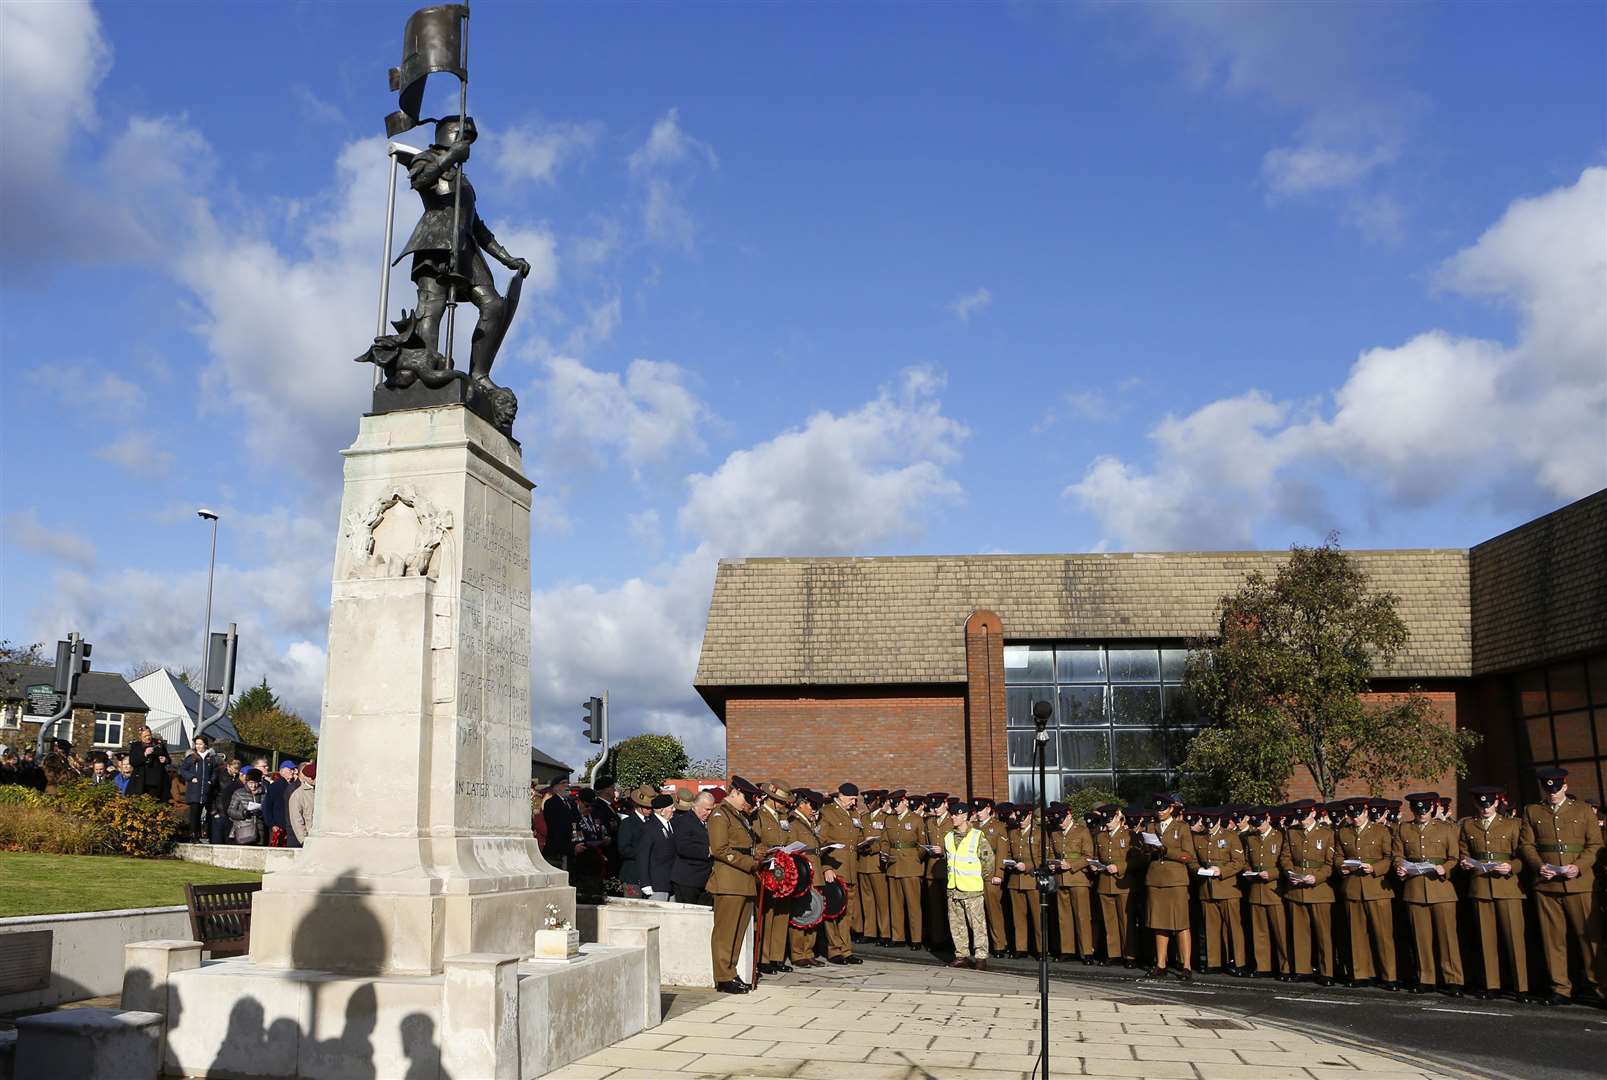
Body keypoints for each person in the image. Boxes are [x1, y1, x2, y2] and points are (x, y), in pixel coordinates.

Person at [1518, 766, 1604, 1006]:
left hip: (1579, 883)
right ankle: (1560, 988)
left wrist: (1579, 866)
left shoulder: (1583, 810)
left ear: (1565, 787)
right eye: (1548, 789)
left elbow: (1595, 844)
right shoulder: (1532, 810)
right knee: (1552, 939)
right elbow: (1527, 845)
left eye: (1556, 788)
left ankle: (1600, 988)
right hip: (1547, 884)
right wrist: (1538, 866)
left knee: (1589, 938)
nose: (1552, 792)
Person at [1460, 785, 1528, 1001]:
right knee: (1486, 939)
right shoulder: (1469, 826)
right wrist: (1465, 863)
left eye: (1489, 803)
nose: (1485, 808)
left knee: (1514, 939)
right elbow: (1464, 852)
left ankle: (1521, 986)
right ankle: (1492, 984)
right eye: (1481, 804)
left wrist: (1512, 866)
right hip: (1481, 885)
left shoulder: (1513, 825)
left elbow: (1523, 855)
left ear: (1497, 803)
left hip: (1508, 887)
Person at [1395, 791, 1463, 995]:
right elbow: (1398, 855)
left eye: (1425, 809)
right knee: (1421, 938)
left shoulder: (1446, 829)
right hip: (1415, 888)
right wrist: (1400, 867)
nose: (1421, 813)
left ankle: (1453, 980)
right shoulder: (1404, 829)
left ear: (1432, 808)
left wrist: (1446, 868)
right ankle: (1426, 978)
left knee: (1447, 938)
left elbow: (1454, 857)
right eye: (1417, 810)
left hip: (1441, 889)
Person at [1336, 796, 1398, 990]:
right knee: (1356, 935)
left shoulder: (1381, 831)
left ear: (1365, 812)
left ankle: (1389, 976)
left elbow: (1390, 857)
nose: (1355, 818)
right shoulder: (1343, 832)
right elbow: (1338, 856)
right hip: (1353, 887)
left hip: (1377, 887)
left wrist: (1374, 868)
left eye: (1358, 814)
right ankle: (1360, 974)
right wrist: (1342, 867)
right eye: (1352, 815)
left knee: (1383, 935)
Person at [707, 776, 763, 993]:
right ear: (736, 793)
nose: (747, 803)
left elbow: (748, 845)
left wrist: (760, 855)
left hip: (744, 882)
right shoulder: (720, 815)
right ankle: (723, 976)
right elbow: (720, 849)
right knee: (726, 933)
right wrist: (750, 863)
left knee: (738, 932)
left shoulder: (739, 817)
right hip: (729, 881)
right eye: (746, 798)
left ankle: (731, 972)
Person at [1280, 798, 1336, 985]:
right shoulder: (1292, 833)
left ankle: (1326, 971)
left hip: (1318, 888)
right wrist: (1290, 873)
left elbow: (1330, 864)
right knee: (1299, 932)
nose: (1302, 819)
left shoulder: (1327, 834)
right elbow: (1285, 858)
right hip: (1296, 887)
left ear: (1313, 813)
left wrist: (1316, 878)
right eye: (1299, 816)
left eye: (1304, 815)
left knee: (1323, 934)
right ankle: (1302, 969)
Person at [1139, 793, 1194, 980]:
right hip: (1155, 879)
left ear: (1171, 809)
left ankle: (1186, 965)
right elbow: (1146, 855)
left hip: (1175, 880)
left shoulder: (1182, 827)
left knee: (1181, 924)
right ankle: (1160, 964)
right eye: (1157, 809)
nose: (1160, 812)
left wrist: (1167, 850)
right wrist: (1147, 849)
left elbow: (1189, 855)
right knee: (1159, 924)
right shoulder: (1150, 826)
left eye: (1163, 809)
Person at [1193, 807, 1246, 975]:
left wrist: (1221, 870)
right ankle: (1214, 962)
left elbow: (1239, 862)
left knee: (1234, 928)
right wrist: (1198, 869)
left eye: (1212, 823)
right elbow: (1194, 860)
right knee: (1211, 928)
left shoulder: (1230, 837)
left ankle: (1239, 963)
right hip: (1207, 889)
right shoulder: (1199, 838)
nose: (1209, 827)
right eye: (1206, 823)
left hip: (1227, 888)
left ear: (1218, 822)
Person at [1241, 805, 1292, 980]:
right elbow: (1246, 860)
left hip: (1274, 889)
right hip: (1256, 889)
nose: (1258, 825)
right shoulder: (1251, 838)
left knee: (1280, 932)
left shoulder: (1280, 837)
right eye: (1255, 822)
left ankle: (1285, 966)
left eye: (1261, 821)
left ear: (1268, 818)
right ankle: (1263, 966)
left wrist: (1270, 874)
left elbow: (1284, 864)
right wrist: (1249, 872)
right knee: (1259, 932)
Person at [945, 801, 996, 970]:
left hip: (972, 888)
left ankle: (981, 957)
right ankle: (961, 955)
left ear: (965, 816)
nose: (953, 817)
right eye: (951, 814)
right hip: (954, 888)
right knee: (956, 924)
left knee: (977, 924)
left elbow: (988, 860)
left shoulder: (977, 835)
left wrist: (980, 878)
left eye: (956, 814)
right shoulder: (948, 837)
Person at [816, 783, 863, 965]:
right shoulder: (827, 812)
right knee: (834, 911)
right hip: (835, 870)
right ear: (841, 796)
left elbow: (855, 838)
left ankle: (846, 950)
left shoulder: (853, 813)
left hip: (850, 869)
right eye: (851, 798)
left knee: (848, 914)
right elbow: (821, 842)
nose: (854, 802)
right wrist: (826, 867)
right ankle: (834, 950)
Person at [1092, 804, 1142, 968]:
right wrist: (1094, 865)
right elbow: (1096, 856)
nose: (1107, 823)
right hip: (1105, 882)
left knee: (1126, 921)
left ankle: (1130, 955)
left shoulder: (1129, 835)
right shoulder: (1100, 837)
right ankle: (1114, 953)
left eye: (1109, 819)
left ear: (1118, 818)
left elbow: (1137, 860)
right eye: (1104, 820)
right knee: (1109, 921)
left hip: (1123, 883)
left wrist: (1120, 867)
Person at [754, 783, 796, 973]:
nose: (782, 805)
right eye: (780, 801)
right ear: (771, 799)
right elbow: (757, 840)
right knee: (767, 913)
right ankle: (763, 958)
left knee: (782, 913)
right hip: (767, 868)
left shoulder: (783, 817)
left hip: (783, 867)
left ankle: (776, 956)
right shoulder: (759, 816)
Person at [1051, 804, 1097, 963]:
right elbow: (1052, 853)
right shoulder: (1055, 833)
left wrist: (1072, 865)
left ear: (1069, 815)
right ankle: (1067, 950)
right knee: (1064, 917)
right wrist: (1053, 864)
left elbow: (1088, 856)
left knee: (1082, 916)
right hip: (1061, 878)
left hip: (1078, 878)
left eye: (1062, 819)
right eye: (1058, 820)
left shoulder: (1082, 831)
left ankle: (1086, 952)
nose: (1060, 823)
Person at [885, 790, 927, 951]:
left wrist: (915, 859)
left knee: (913, 905)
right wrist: (886, 853)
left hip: (910, 866)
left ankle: (916, 938)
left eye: (897, 804)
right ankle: (898, 937)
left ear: (904, 801)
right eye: (893, 805)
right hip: (893, 864)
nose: (895, 808)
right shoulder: (890, 819)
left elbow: (922, 845)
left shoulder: (916, 820)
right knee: (895, 904)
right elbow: (884, 840)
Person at [976, 798, 1011, 958]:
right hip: (975, 875)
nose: (978, 813)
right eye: (976, 810)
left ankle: (999, 945)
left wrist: (999, 874)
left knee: (993, 911)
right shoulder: (973, 827)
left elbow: (1002, 852)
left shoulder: (998, 827)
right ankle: (981, 944)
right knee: (977, 913)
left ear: (989, 809)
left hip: (991, 875)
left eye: (981, 810)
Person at [672, 790, 715, 905]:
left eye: (711, 809)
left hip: (704, 879)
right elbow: (683, 847)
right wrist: (708, 851)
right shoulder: (685, 821)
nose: (710, 813)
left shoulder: (709, 822)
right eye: (707, 809)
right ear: (696, 806)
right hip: (687, 879)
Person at [616, 785, 657, 898]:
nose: (650, 810)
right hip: (632, 875)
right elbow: (624, 849)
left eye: (651, 808)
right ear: (638, 806)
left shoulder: (653, 822)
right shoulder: (628, 823)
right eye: (647, 807)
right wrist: (644, 853)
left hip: (650, 875)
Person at [178, 735, 220, 843]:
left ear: (205, 745)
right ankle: (193, 835)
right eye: (196, 744)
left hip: (207, 791)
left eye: (200, 744)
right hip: (194, 791)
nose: (198, 746)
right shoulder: (192, 758)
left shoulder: (211, 759)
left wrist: (211, 780)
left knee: (207, 815)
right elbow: (182, 770)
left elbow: (215, 772)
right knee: (194, 814)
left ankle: (207, 835)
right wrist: (191, 777)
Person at [261, 761, 301, 847]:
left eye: (293, 770)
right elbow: (267, 807)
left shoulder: (294, 786)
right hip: (278, 826)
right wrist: (272, 824)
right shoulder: (275, 786)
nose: (292, 772)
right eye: (289, 770)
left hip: (290, 825)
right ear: (282, 771)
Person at [646, 794, 677, 899]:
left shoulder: (671, 824)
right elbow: (643, 856)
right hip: (657, 883)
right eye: (671, 808)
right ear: (662, 810)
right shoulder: (650, 827)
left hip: (670, 881)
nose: (674, 810)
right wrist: (645, 882)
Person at [127, 726, 171, 800]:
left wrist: (165, 760)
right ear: (140, 737)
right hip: (142, 780)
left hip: (157, 781)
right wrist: (144, 754)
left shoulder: (159, 744)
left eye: (149, 735)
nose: (148, 738)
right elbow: (133, 761)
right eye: (145, 736)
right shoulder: (136, 746)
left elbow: (169, 759)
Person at [228, 768, 268, 846]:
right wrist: (243, 813)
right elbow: (230, 811)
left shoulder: (264, 794)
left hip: (260, 830)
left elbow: (267, 811)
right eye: (250, 782)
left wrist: (261, 813)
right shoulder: (239, 793)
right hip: (244, 830)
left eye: (256, 783)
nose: (253, 785)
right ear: (246, 782)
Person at [211, 759, 243, 843]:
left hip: (231, 812)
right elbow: (212, 793)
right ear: (228, 766)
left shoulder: (238, 778)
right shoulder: (219, 776)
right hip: (220, 810)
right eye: (235, 768)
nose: (237, 771)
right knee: (218, 838)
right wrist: (214, 811)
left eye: (238, 769)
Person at [288, 762, 317, 845]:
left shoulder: (322, 791)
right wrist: (304, 840)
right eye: (312, 777)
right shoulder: (298, 795)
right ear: (305, 777)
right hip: (309, 838)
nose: (314, 779)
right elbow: (296, 820)